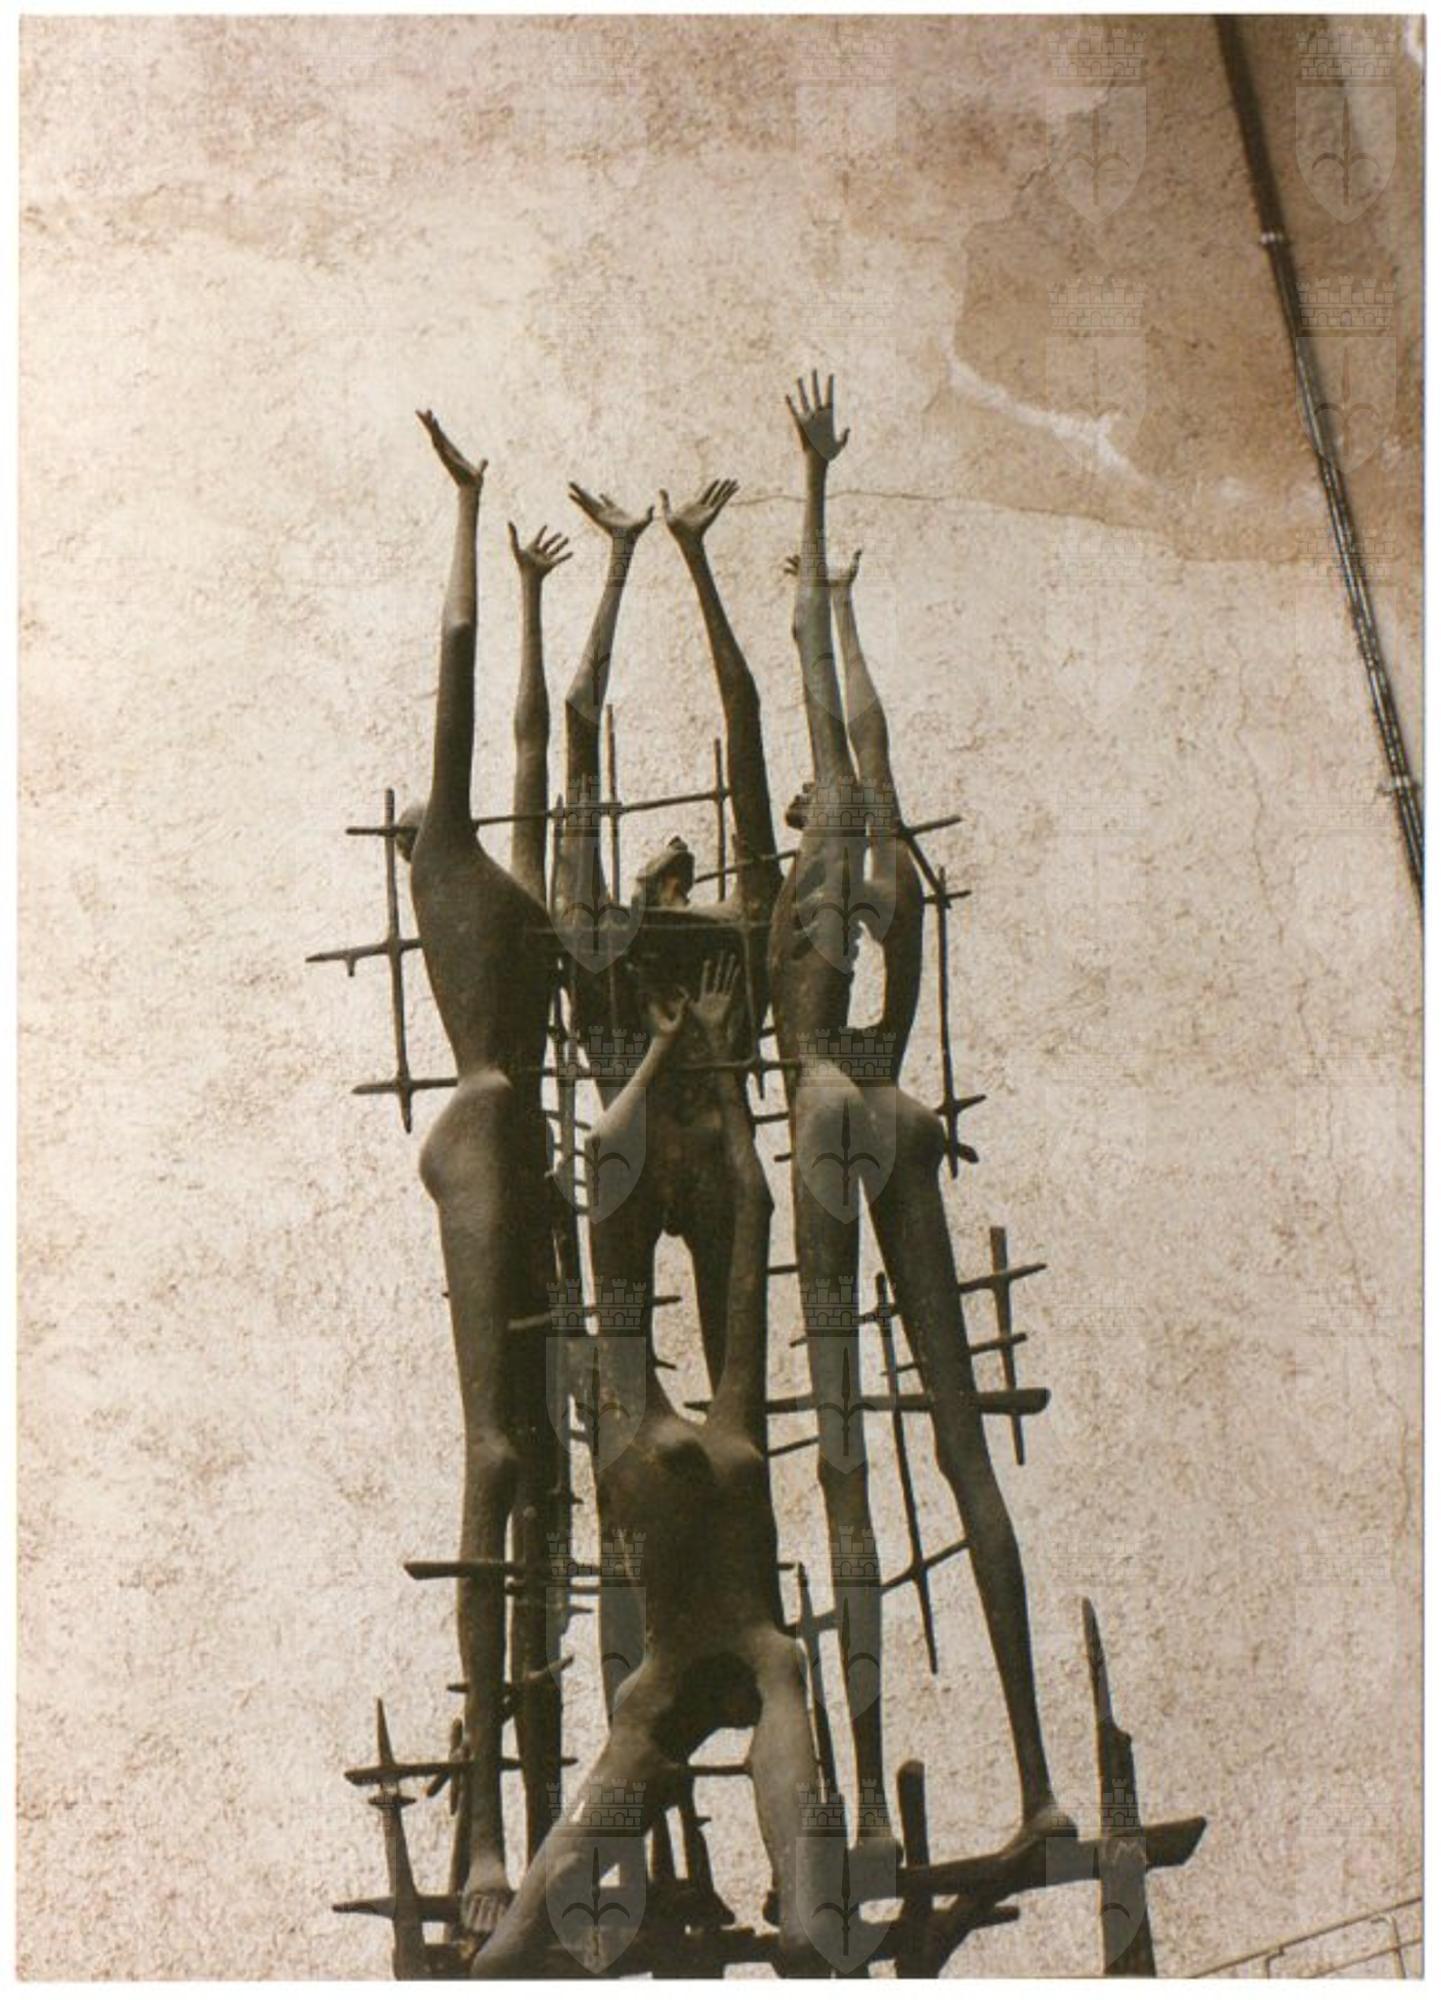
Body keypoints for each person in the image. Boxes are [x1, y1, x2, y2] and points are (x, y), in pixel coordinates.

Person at [771, 374, 1074, 1861]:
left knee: (843, 1455)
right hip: (896, 1102)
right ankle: (1034, 1783)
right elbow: (863, 720)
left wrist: (813, 493)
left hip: (830, 1107)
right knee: (957, 1442)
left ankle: (868, 1815)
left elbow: (807, 693)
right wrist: (845, 601)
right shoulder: (888, 856)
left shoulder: (813, 852)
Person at [470, 960, 828, 1979]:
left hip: (683, 1578)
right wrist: (708, 1065)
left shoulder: (640, 1413)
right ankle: (807, 1908)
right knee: (773, 1671)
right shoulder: (695, 1414)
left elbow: (616, 1166)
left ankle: (512, 1946)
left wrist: (677, 1051)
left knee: (679, 1719)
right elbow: (741, 1205)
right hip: (724, 1580)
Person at [400, 411, 572, 1939]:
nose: (418, 806)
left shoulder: (497, 880)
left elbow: (525, 748)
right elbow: (458, 713)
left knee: (549, 1472)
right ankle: (479, 1826)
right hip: (482, 1137)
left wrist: (531, 590)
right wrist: (461, 522)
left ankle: (539, 1812)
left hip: (521, 1148)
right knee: (498, 1461)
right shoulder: (448, 865)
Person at [551, 476, 783, 1395]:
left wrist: (694, 557)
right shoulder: (600, 947)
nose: (675, 866)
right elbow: (575, 735)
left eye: (683, 872)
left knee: (736, 1395)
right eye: (662, 872)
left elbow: (746, 725)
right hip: (644, 1157)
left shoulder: (731, 939)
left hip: (705, 1156)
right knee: (631, 1398)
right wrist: (621, 561)